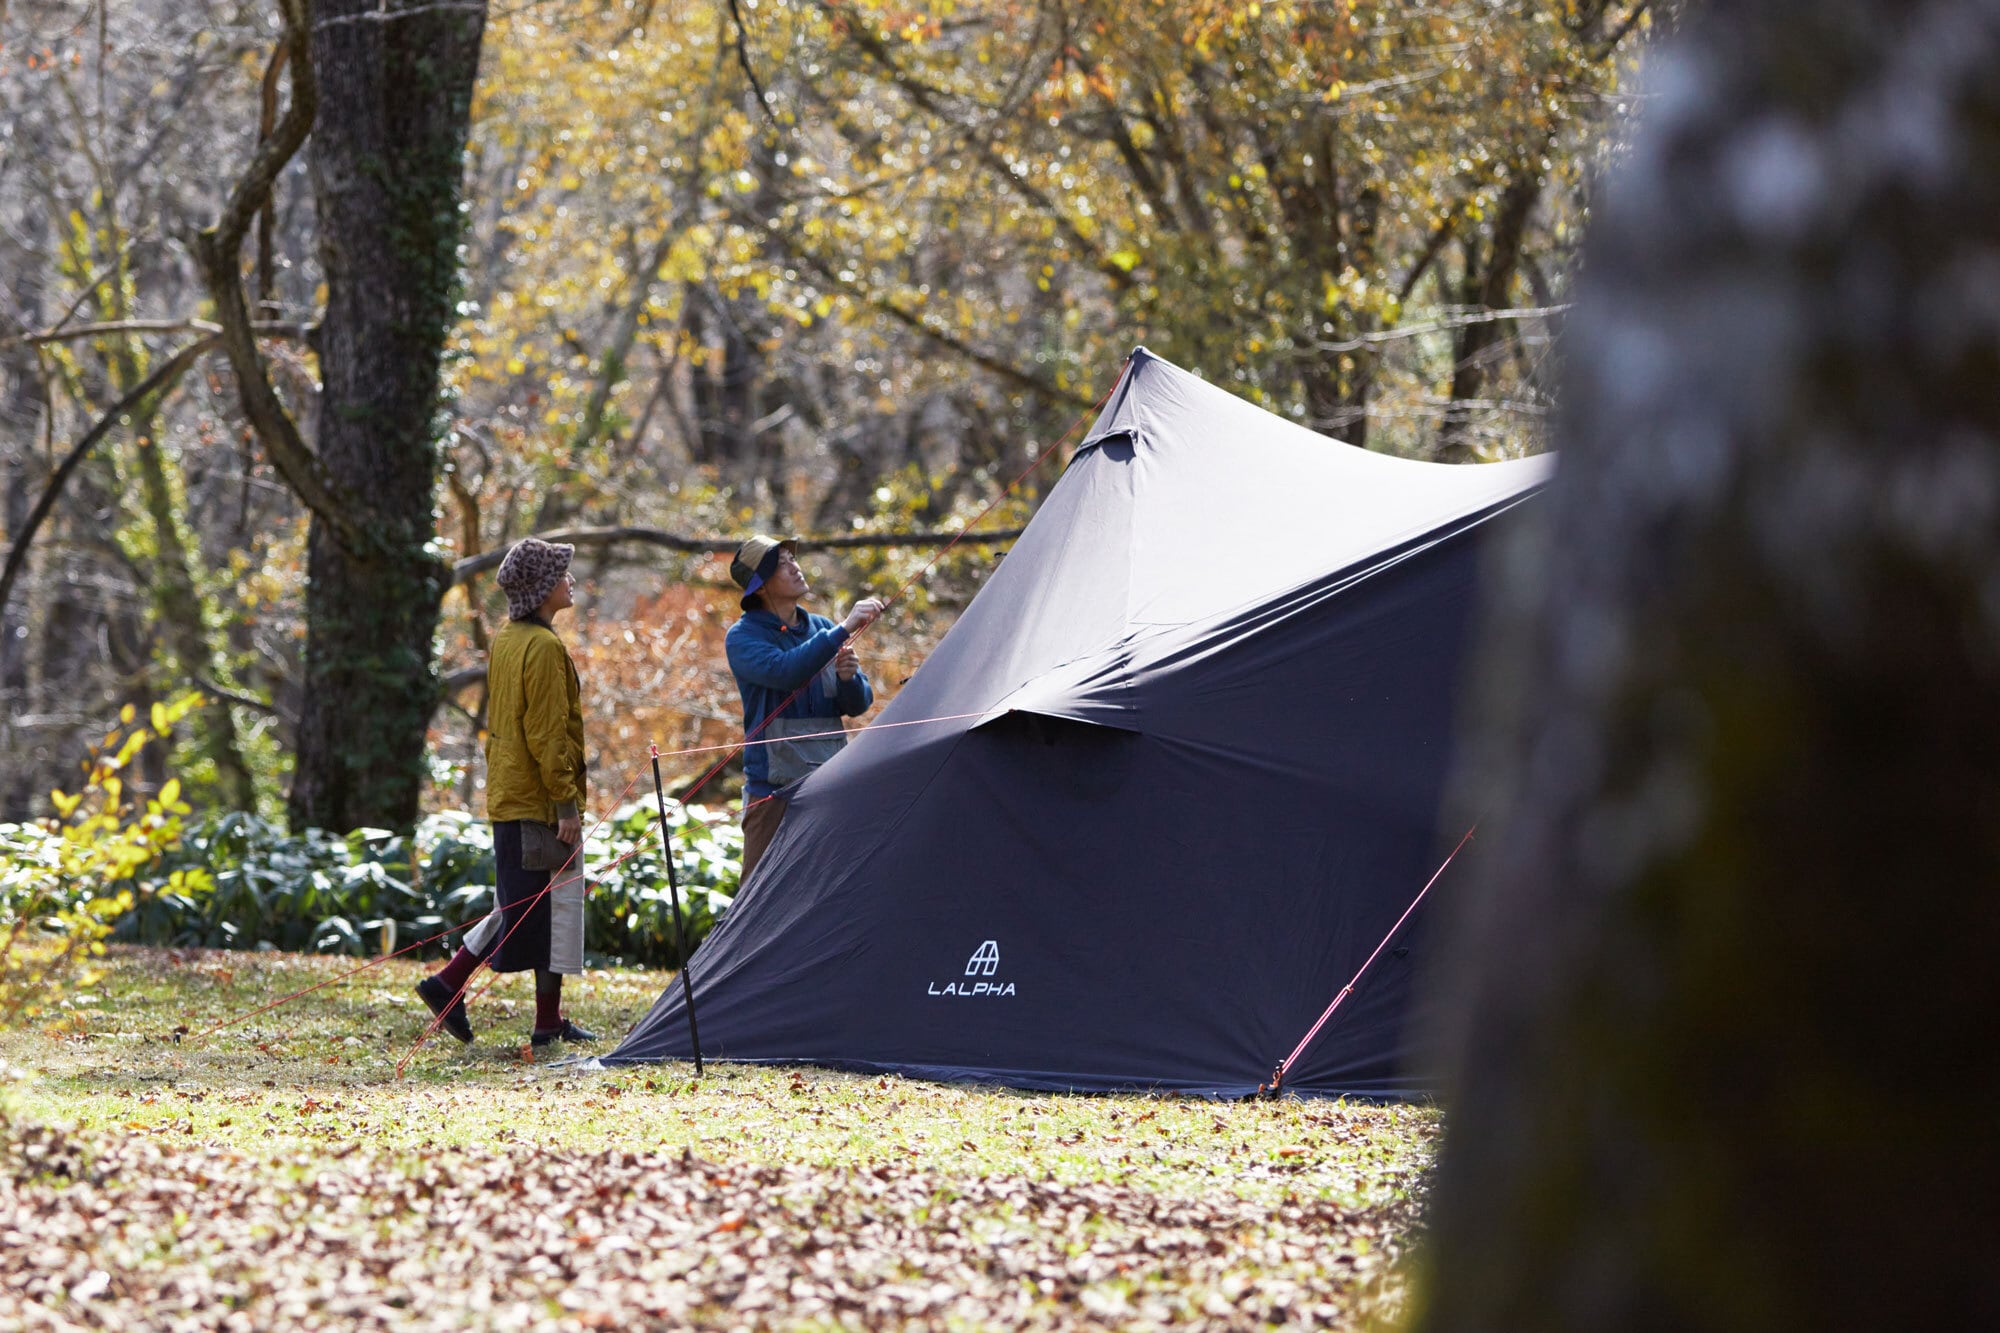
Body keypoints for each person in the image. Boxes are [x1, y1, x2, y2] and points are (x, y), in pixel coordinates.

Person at [416, 536, 597, 1048]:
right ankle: (455, 986)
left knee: (524, 906)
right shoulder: (540, 646)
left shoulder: (509, 637)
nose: (571, 581)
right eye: (563, 574)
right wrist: (565, 804)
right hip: (538, 801)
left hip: (514, 796)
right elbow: (546, 731)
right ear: (542, 588)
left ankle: (531, 1016)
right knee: (543, 909)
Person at [725, 535, 883, 882]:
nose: (795, 567)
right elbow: (785, 672)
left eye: (792, 559)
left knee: (833, 891)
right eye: (782, 564)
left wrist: (848, 680)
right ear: (761, 585)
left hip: (829, 788)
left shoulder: (822, 628)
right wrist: (845, 629)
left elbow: (859, 704)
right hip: (772, 795)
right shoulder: (742, 638)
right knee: (760, 899)